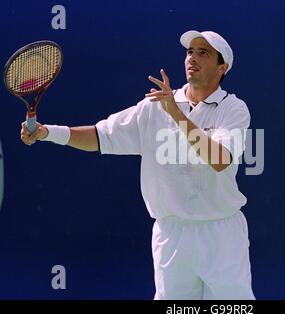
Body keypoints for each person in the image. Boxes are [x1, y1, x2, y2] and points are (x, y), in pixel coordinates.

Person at [21, 30, 255, 300]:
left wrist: (176, 114)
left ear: (222, 67)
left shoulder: (234, 109)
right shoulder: (154, 106)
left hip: (221, 236)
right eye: (190, 51)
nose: (192, 57)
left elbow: (219, 160)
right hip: (171, 236)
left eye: (203, 53)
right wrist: (48, 132)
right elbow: (101, 136)